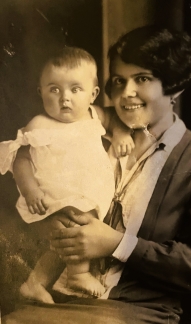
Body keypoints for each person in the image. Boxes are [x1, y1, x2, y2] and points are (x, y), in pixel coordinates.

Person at [2, 25, 191, 324]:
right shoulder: (84, 126)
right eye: (119, 80)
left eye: (142, 79)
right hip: (58, 298)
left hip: (138, 311)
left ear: (174, 87)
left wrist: (117, 243)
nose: (125, 93)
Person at [0, 46, 133, 303]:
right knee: (72, 230)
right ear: (41, 92)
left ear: (93, 94)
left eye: (75, 89)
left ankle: (36, 282)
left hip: (86, 193)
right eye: (54, 89)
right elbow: (21, 160)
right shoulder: (39, 124)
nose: (65, 98)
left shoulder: (95, 115)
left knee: (64, 241)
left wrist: (120, 134)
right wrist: (31, 190)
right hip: (54, 195)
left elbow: (116, 120)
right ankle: (78, 274)